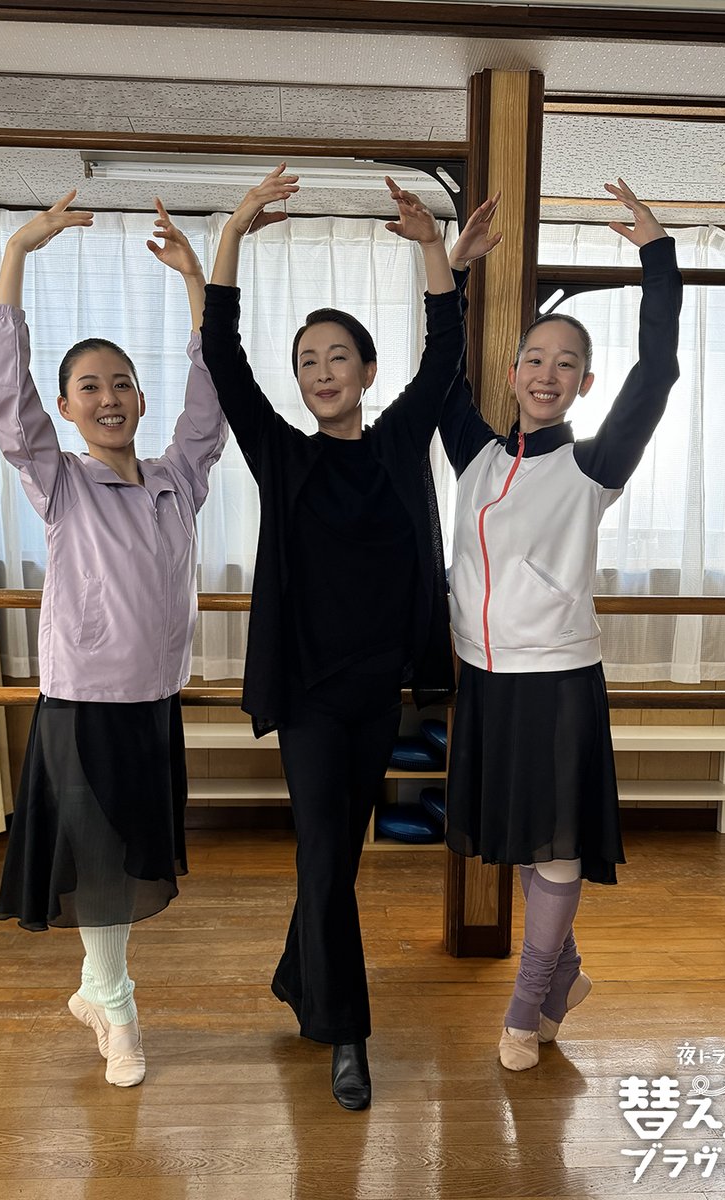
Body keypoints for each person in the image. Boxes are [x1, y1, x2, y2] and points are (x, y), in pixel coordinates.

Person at [199, 165, 465, 1109]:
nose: (321, 372)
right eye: (308, 360)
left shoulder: (395, 446)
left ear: (366, 372)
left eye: (338, 357)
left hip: (376, 693)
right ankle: (345, 1033)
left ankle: (294, 970)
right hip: (309, 697)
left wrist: (433, 251)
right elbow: (222, 355)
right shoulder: (281, 456)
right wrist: (234, 232)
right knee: (324, 856)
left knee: (335, 858)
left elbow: (447, 355)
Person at [439, 179, 682, 1071]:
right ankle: (565, 977)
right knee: (519, 839)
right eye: (534, 359)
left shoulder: (593, 465)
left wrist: (657, 257)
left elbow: (658, 373)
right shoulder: (474, 454)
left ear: (583, 383)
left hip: (558, 681)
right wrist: (451, 272)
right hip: (484, 676)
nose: (547, 374)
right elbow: (436, 372)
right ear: (512, 374)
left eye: (566, 363)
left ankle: (527, 997)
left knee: (558, 844)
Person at [0, 191, 227, 1086]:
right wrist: (18, 252)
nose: (109, 397)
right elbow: (5, 398)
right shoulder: (59, 482)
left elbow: (212, 399)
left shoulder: (177, 479)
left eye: (121, 382)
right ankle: (118, 1009)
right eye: (89, 386)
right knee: (98, 860)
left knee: (125, 854)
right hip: (82, 702)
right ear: (66, 407)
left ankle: (99, 991)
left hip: (152, 702)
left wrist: (198, 283)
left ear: (140, 396)